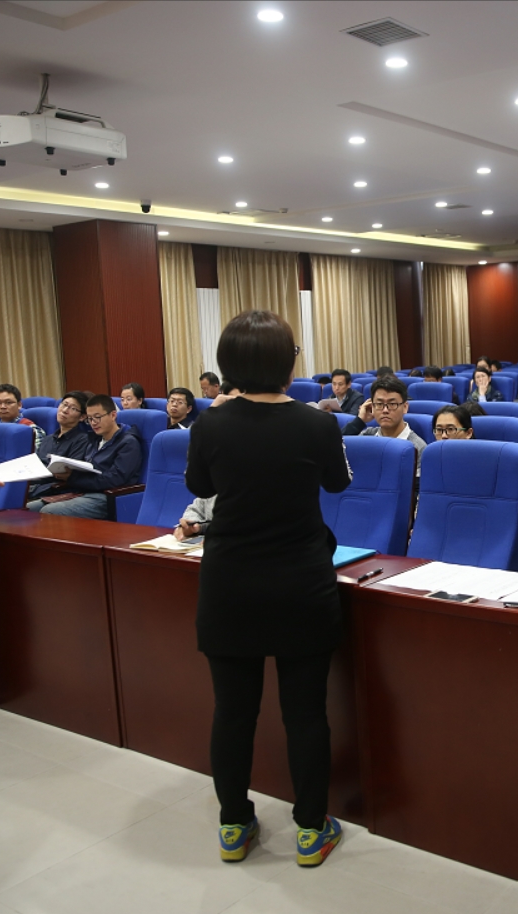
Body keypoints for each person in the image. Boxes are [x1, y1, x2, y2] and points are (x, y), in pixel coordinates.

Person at [185, 310, 351, 867]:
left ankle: (234, 826)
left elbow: (199, 484)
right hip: (301, 582)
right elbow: (337, 483)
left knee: (232, 712)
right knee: (305, 713)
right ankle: (311, 831)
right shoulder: (317, 423)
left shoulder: (210, 424)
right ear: (287, 363)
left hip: (229, 583)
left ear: (228, 365)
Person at [26, 394, 141, 518]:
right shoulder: (94, 439)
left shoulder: (128, 443)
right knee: (29, 508)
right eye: (90, 419)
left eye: (98, 417)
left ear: (113, 415)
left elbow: (114, 479)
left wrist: (72, 478)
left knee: (49, 510)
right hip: (83, 491)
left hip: (107, 496)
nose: (93, 423)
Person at [28, 392, 95, 499]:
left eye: (73, 408)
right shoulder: (48, 439)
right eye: (64, 404)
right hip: (33, 484)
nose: (64, 410)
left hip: (54, 490)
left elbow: (67, 474)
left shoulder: (83, 440)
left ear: (82, 417)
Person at [343, 376, 427, 459]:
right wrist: (360, 420)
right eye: (379, 404)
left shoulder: (417, 447)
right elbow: (338, 447)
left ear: (405, 407)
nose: (385, 410)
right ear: (372, 407)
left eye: (392, 404)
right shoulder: (368, 435)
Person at [0, 383, 45, 450]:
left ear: (19, 405)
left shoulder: (30, 429)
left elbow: (39, 454)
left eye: (8, 402)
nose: (3, 407)